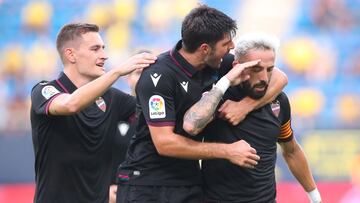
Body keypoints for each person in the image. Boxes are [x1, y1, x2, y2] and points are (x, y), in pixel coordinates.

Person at [116, 5, 288, 203]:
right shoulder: (158, 76)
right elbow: (165, 144)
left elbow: (280, 78)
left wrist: (245, 106)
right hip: (147, 184)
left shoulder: (218, 63)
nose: (232, 46)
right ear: (205, 49)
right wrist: (227, 151)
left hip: (190, 183)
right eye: (226, 43)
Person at [183, 33, 322, 203]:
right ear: (237, 67)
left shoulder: (278, 101)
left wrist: (315, 197)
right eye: (256, 69)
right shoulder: (217, 97)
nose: (264, 77)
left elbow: (291, 150)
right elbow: (191, 125)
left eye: (269, 69)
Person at [30, 23, 157, 203]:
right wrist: (117, 72)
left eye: (103, 48)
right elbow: (70, 104)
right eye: (95, 49)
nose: (104, 55)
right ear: (71, 54)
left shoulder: (112, 98)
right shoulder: (44, 91)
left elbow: (157, 111)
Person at [109, 67, 144, 203]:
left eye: (149, 72)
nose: (143, 77)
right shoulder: (109, 110)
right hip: (113, 192)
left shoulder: (164, 116)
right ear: (127, 78)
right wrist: (104, 187)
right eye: (139, 72)